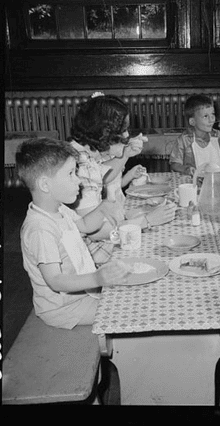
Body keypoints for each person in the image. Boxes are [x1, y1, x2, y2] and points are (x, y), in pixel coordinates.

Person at [16, 138, 138, 329]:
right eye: (71, 174)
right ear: (45, 185)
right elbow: (56, 281)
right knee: (127, 311)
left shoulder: (60, 209)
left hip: (83, 294)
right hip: (64, 309)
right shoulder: (40, 228)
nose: (79, 180)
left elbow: (85, 225)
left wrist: (103, 207)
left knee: (133, 295)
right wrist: (97, 278)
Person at [67, 92, 174, 264]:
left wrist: (124, 154)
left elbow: (105, 178)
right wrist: (146, 221)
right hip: (87, 254)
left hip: (94, 241)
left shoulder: (85, 151)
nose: (126, 136)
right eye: (122, 129)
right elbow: (96, 231)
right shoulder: (81, 164)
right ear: (104, 130)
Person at [168, 94, 220, 176]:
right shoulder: (184, 139)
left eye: (212, 114)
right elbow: (174, 164)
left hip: (217, 181)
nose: (211, 119)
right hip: (193, 182)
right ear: (192, 121)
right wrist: (186, 169)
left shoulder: (216, 135)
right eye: (205, 116)